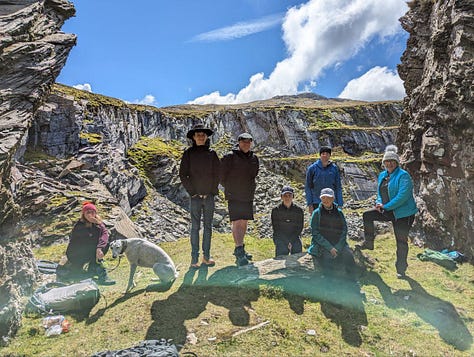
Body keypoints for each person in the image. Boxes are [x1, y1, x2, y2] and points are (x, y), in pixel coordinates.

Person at [358, 145, 418, 278]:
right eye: (386, 161)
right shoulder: (382, 175)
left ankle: (401, 269)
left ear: (396, 163)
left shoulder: (404, 176)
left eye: (392, 161)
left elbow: (402, 196)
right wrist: (379, 203)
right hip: (387, 208)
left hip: (404, 214)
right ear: (383, 163)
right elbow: (380, 192)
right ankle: (369, 242)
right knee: (367, 215)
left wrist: (386, 207)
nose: (389, 164)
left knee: (401, 241)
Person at [179, 123, 220, 268]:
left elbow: (217, 174)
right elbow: (183, 175)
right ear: (194, 138)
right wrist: (193, 193)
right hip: (195, 198)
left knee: (208, 227)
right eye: (198, 135)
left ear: (206, 137)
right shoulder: (188, 154)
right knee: (195, 227)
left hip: (209, 197)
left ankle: (206, 257)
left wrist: (210, 191)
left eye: (203, 134)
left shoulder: (212, 154)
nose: (201, 137)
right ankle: (194, 259)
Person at [220, 132, 259, 266]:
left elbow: (254, 174)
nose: (246, 144)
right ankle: (238, 250)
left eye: (248, 142)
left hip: (247, 195)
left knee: (244, 221)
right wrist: (230, 188)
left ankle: (241, 248)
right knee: (237, 222)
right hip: (235, 195)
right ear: (239, 143)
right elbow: (221, 175)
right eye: (243, 141)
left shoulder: (254, 158)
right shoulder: (230, 157)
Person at [307, 188, 357, 279]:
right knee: (327, 258)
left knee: (348, 255)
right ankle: (329, 285)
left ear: (333, 199)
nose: (325, 200)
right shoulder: (316, 213)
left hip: (338, 243)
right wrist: (330, 248)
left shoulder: (339, 213)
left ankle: (353, 281)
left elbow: (344, 230)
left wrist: (338, 247)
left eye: (328, 198)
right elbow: (315, 233)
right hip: (323, 244)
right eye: (323, 198)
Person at [65, 201, 115, 285]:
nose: (90, 214)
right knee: (94, 246)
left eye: (93, 212)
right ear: (83, 214)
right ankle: (100, 273)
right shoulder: (79, 225)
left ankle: (93, 268)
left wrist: (99, 248)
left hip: (89, 251)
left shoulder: (97, 224)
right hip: (76, 254)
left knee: (105, 244)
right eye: (88, 212)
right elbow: (88, 238)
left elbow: (105, 234)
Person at [305, 146, 343, 214]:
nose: (325, 155)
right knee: (317, 223)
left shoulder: (334, 168)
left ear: (330, 156)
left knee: (332, 223)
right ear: (320, 155)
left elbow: (338, 187)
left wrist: (340, 204)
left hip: (332, 202)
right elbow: (308, 187)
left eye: (327, 154)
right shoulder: (312, 168)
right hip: (316, 202)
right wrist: (310, 204)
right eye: (323, 154)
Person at [271, 185, 304, 257]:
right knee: (282, 251)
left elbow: (299, 228)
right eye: (285, 195)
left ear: (293, 197)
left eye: (289, 195)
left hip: (294, 237)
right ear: (281, 197)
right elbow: (276, 228)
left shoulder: (299, 210)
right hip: (280, 237)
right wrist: (287, 242)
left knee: (297, 251)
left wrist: (291, 241)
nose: (287, 198)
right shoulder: (276, 210)